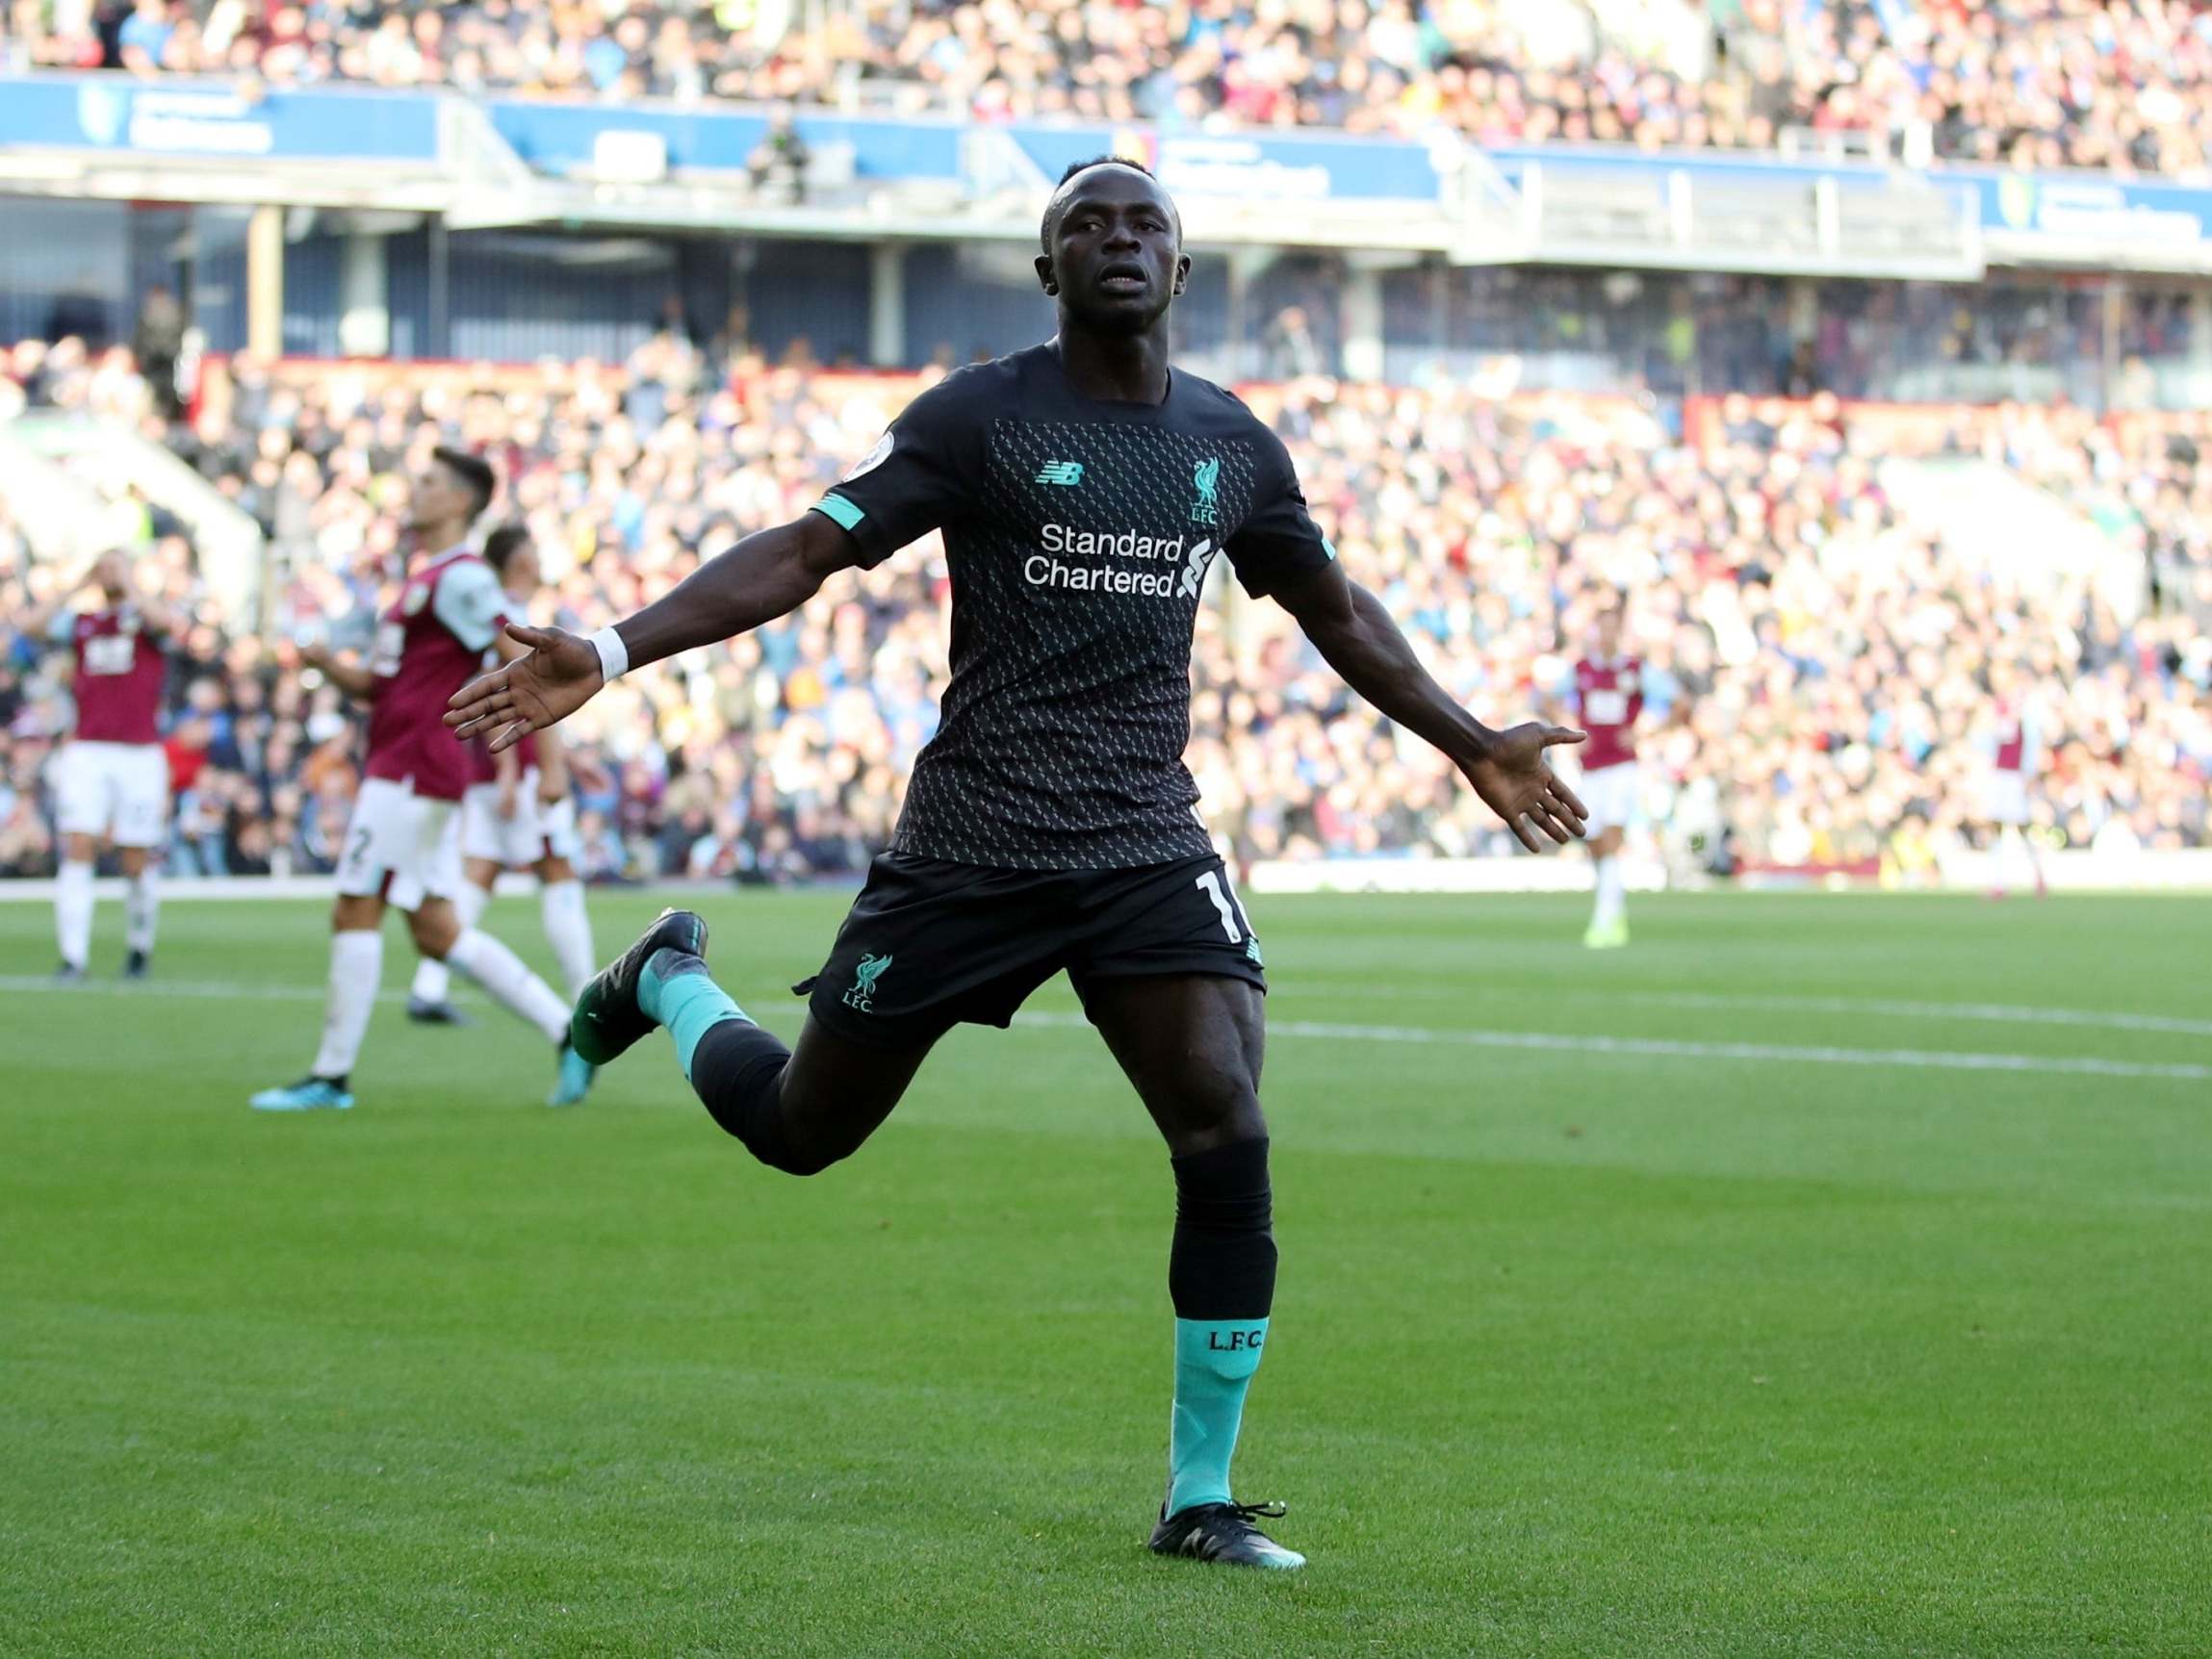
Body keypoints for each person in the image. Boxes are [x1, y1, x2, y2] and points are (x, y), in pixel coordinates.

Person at [448, 159, 1587, 1570]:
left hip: (1139, 843)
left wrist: (1471, 742)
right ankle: (670, 979)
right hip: (969, 847)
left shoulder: (1232, 446)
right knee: (805, 1133)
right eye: (1084, 226)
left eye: (1143, 223)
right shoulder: (979, 417)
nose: (1117, 239)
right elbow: (809, 551)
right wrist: (616, 648)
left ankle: (1198, 1497)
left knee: (1224, 1124)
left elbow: (1329, 609)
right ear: (1046, 271)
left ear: (1182, 267)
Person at [249, 450, 596, 1113]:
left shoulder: (464, 579)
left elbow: (529, 665)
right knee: (436, 930)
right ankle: (567, 1032)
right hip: (406, 761)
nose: (416, 489)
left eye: (430, 483)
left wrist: (549, 764)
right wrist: (326, 664)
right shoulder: (424, 580)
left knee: (356, 903)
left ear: (460, 502)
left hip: (413, 768)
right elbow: (383, 688)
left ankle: (331, 1077)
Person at [406, 525, 597, 1024]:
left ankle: (428, 986)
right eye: (534, 548)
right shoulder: (508, 620)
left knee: (480, 871)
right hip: (517, 766)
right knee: (557, 867)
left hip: (489, 770)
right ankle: (586, 997)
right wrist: (520, 768)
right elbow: (510, 695)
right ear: (520, 561)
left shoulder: (493, 615)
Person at [27, 549, 176, 981]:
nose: (109, 572)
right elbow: (33, 626)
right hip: (89, 749)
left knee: (135, 856)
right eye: (105, 566)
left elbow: (167, 624)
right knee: (77, 845)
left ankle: (138, 946)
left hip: (139, 751)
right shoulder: (83, 623)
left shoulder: (146, 620)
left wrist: (130, 584)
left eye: (115, 565)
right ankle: (73, 957)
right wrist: (76, 585)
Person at [1571, 600, 1644, 948]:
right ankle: (1614, 908)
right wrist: (1568, 727)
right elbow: (1552, 697)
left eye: (1614, 627)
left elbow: (1677, 703)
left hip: (1622, 766)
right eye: (1603, 627)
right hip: (1591, 768)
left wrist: (1644, 731)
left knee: (1613, 837)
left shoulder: (1635, 669)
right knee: (1595, 840)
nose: (1608, 634)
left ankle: (1604, 919)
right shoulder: (1581, 669)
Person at [1980, 664, 2047, 900]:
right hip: (2000, 775)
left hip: (2016, 776)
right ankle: (1999, 882)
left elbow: (2031, 742)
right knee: (1996, 826)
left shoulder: (2025, 709)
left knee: (2022, 826)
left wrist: (2030, 773)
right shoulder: (1996, 708)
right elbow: (1991, 743)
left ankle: (2038, 874)